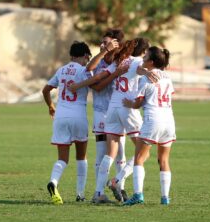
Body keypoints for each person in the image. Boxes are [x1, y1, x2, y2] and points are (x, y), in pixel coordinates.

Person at [68, 29, 130, 202]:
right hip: (101, 112)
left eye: (107, 42)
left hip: (118, 112)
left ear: (116, 44)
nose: (103, 45)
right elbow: (93, 77)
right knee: (102, 153)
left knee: (121, 153)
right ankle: (99, 192)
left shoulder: (122, 62)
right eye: (102, 42)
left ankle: (120, 187)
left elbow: (100, 81)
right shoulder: (100, 61)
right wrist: (104, 51)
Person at [93, 38, 152, 203]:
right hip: (127, 108)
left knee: (110, 153)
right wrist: (147, 72)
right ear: (143, 51)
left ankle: (98, 193)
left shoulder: (120, 61)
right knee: (144, 151)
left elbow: (102, 75)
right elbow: (140, 69)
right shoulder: (139, 61)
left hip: (112, 108)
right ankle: (117, 180)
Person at [122, 46, 176, 206]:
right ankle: (165, 198)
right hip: (169, 121)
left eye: (145, 57)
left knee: (139, 158)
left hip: (153, 120)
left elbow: (138, 104)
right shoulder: (167, 77)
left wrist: (129, 103)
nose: (143, 59)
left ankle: (138, 195)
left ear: (151, 62)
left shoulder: (145, 79)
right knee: (164, 160)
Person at [42, 41, 92, 205]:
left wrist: (51, 106)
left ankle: (54, 182)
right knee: (81, 156)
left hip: (61, 117)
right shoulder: (85, 71)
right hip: (78, 116)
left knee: (63, 158)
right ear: (85, 56)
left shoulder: (61, 70)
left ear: (71, 55)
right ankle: (80, 194)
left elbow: (46, 90)